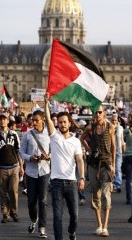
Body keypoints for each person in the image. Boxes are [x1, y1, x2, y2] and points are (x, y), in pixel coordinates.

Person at [44, 94, 85, 240]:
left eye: (64, 122)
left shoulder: (75, 141)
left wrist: (82, 177)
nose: (62, 124)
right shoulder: (54, 137)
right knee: (57, 216)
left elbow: (79, 160)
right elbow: (48, 120)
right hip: (56, 183)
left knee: (75, 216)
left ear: (69, 124)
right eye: (60, 122)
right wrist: (46, 103)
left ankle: (72, 232)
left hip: (71, 182)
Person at [80, 105, 115, 237]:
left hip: (106, 164)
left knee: (106, 195)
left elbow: (113, 146)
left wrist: (114, 167)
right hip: (94, 165)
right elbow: (81, 139)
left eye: (100, 112)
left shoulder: (110, 127)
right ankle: (99, 225)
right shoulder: (91, 128)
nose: (97, 114)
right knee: (96, 194)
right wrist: (89, 150)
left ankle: (105, 226)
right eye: (95, 112)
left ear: (104, 113)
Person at [20, 110, 51, 238]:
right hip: (31, 172)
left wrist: (48, 157)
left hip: (44, 171)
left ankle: (42, 228)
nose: (33, 122)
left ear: (42, 120)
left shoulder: (50, 134)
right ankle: (34, 220)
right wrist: (29, 158)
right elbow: (21, 152)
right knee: (31, 201)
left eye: (36, 120)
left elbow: (54, 151)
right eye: (32, 120)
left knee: (43, 200)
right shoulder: (27, 135)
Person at [0, 112, 24, 224]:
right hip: (1, 168)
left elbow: (18, 151)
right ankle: (5, 213)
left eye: (4, 119)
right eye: (0, 119)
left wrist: (21, 167)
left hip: (14, 166)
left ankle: (14, 212)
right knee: (3, 192)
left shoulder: (14, 135)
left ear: (8, 121)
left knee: (13, 190)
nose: (2, 121)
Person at [111, 114, 125, 193]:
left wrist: (123, 150)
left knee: (118, 168)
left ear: (117, 121)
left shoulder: (120, 128)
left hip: (118, 151)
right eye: (112, 120)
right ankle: (111, 183)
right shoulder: (108, 128)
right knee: (111, 168)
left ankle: (118, 184)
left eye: (115, 120)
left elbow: (122, 139)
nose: (114, 122)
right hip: (110, 151)